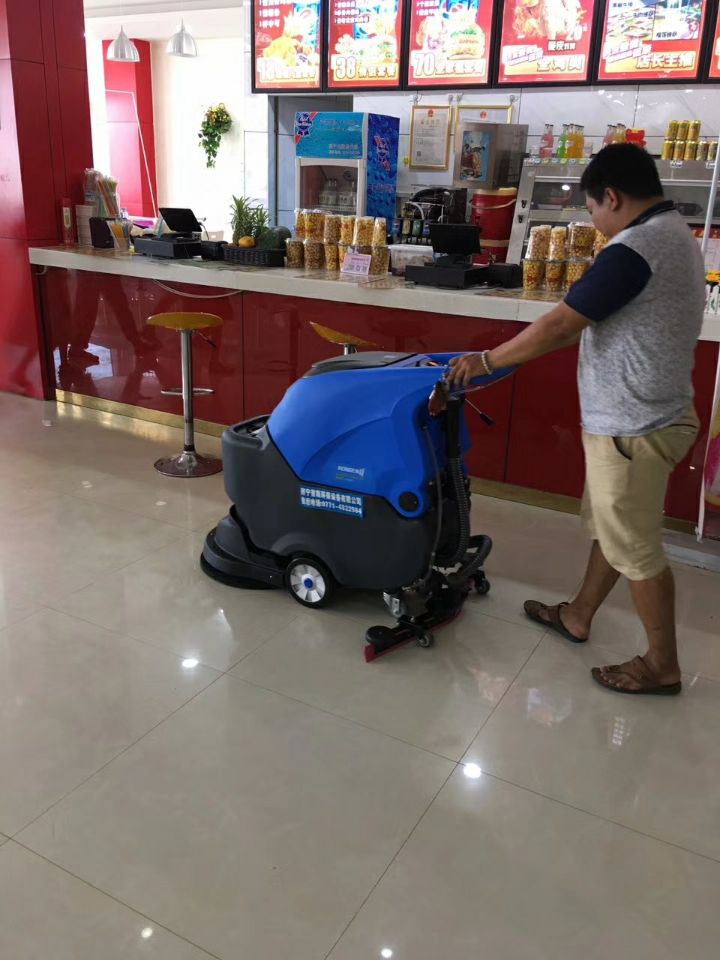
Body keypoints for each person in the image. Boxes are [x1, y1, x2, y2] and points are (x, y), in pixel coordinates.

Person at [448, 143, 705, 696]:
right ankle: (579, 614)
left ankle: (662, 665)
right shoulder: (674, 232)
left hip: (634, 425)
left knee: (635, 547)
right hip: (648, 414)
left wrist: (488, 361)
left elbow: (563, 324)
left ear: (611, 196)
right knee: (614, 528)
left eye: (591, 209)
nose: (593, 222)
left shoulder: (636, 248)